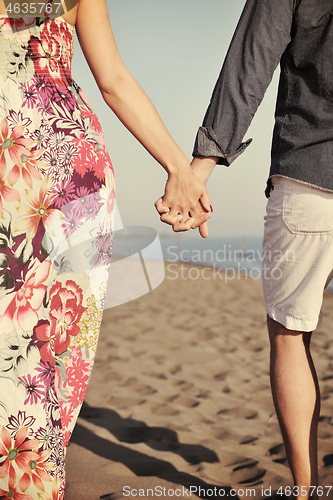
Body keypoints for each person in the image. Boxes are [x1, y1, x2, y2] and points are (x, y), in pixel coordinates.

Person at [0, 0, 211, 498]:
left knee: (50, 342)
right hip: (72, 172)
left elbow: (112, 76)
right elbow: (111, 78)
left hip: (54, 177)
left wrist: (182, 168)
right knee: (53, 348)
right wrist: (178, 167)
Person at [157, 0, 333, 497]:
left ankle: (305, 491)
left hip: (312, 174)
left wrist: (199, 169)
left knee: (290, 335)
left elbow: (250, 61)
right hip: (310, 175)